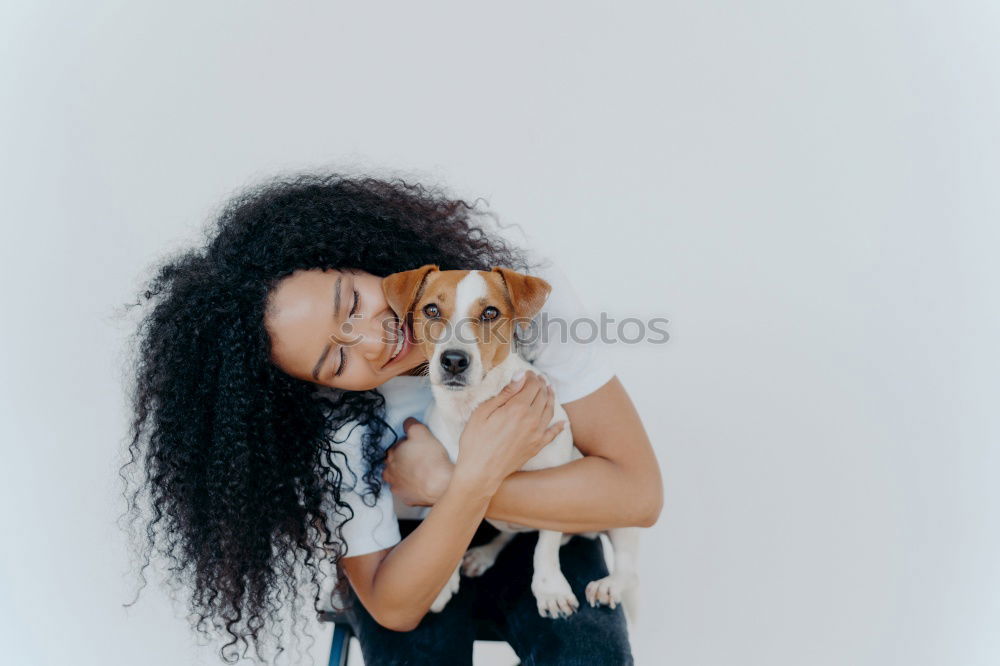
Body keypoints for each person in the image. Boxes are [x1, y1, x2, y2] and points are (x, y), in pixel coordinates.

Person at [122, 173, 662, 665]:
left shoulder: (508, 293)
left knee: (587, 649)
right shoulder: (331, 424)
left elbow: (637, 495)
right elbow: (393, 605)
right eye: (337, 360)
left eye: (353, 301)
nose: (376, 340)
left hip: (549, 526)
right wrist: (467, 486)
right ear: (310, 387)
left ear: (356, 250)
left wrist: (448, 482)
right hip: (407, 547)